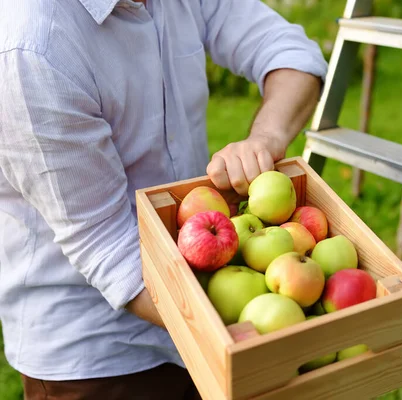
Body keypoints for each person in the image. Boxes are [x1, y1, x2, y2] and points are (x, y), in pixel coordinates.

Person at [0, 0, 328, 398]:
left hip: (201, 315)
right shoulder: (34, 45)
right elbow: (106, 244)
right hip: (101, 356)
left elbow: (291, 52)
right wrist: (255, 322)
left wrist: (266, 138)